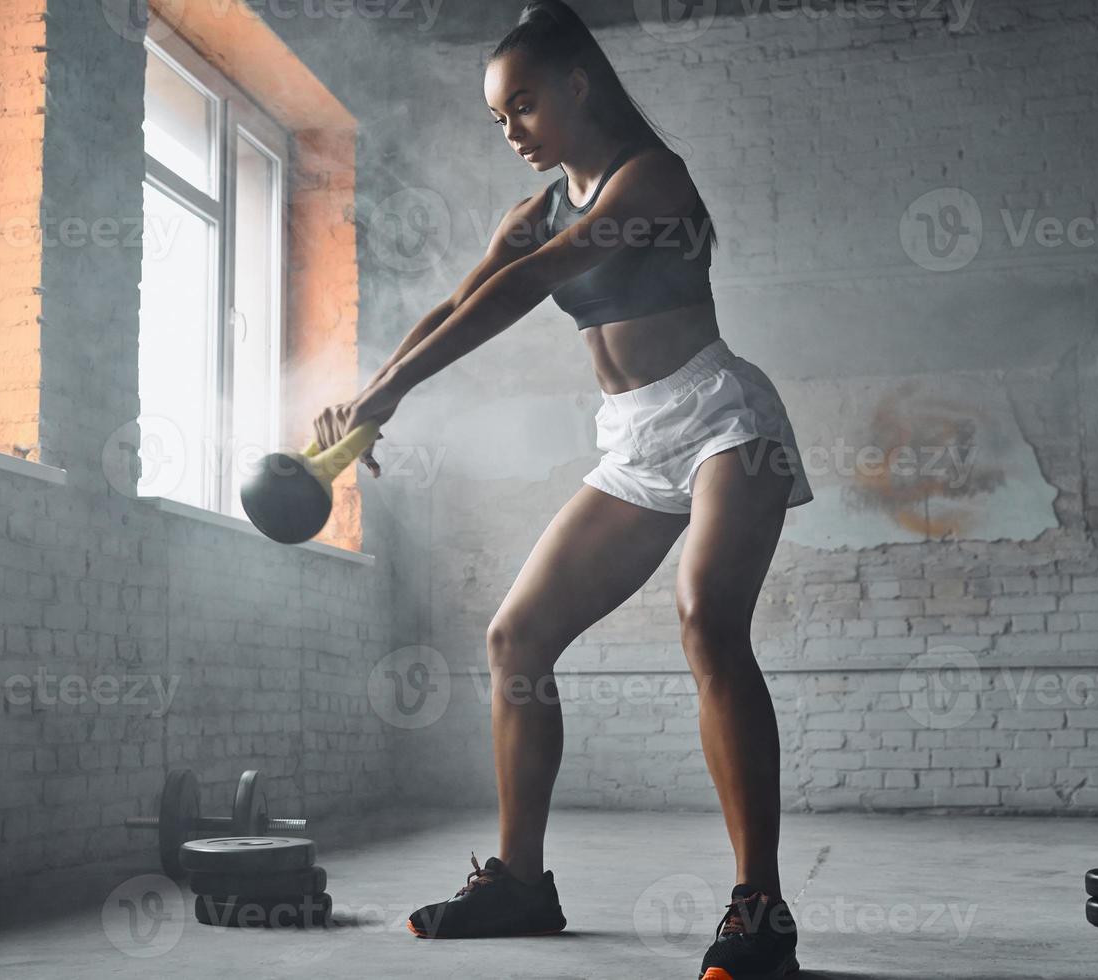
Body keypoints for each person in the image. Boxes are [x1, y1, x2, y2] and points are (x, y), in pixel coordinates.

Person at [311, 2, 811, 977]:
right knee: (518, 636)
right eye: (500, 117)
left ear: (580, 84)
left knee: (707, 618)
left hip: (720, 420)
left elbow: (536, 280)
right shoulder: (537, 207)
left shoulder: (652, 178)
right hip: (631, 440)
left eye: (525, 106)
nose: (512, 132)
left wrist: (386, 389)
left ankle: (761, 907)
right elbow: (459, 301)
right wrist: (373, 398)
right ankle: (522, 883)